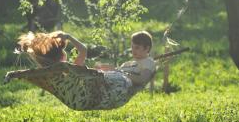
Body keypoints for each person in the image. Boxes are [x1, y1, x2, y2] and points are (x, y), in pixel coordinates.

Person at [11, 30, 155, 110]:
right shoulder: (70, 68)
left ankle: (109, 71)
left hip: (81, 99)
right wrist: (68, 37)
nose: (133, 50)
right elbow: (83, 50)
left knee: (102, 71)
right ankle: (110, 71)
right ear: (63, 55)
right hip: (102, 92)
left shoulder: (50, 72)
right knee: (103, 72)